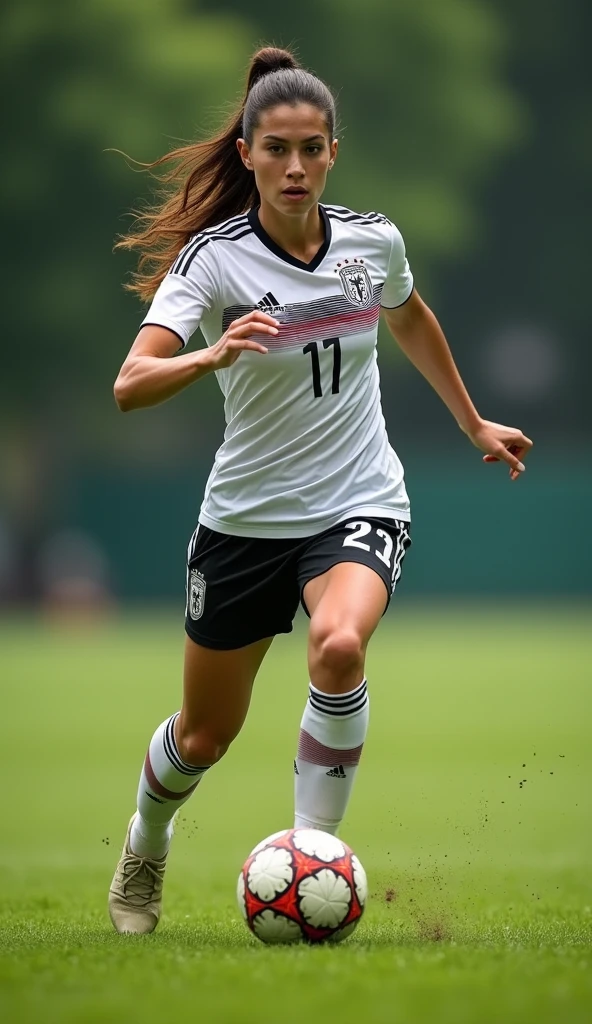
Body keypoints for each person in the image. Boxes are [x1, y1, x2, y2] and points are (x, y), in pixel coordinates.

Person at [108, 46, 533, 935]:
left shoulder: (373, 240)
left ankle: (313, 862)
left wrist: (473, 422)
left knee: (339, 646)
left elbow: (408, 314)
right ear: (248, 155)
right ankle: (147, 839)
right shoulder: (213, 261)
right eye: (276, 149)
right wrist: (211, 352)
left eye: (311, 148)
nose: (294, 166)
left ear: (333, 150)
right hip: (243, 523)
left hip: (359, 500)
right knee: (202, 737)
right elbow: (129, 383)